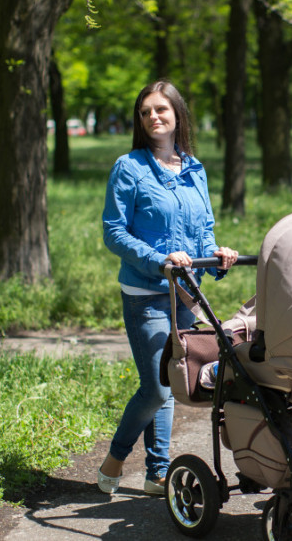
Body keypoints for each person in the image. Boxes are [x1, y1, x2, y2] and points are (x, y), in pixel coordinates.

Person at [99, 80, 238, 496]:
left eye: (161, 109)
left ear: (177, 114)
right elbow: (113, 232)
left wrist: (217, 254)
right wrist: (158, 260)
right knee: (157, 386)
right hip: (146, 292)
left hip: (184, 294)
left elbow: (204, 231)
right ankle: (115, 458)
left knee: (176, 381)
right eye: (145, 112)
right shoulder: (130, 167)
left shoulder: (195, 169)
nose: (153, 117)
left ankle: (156, 472)